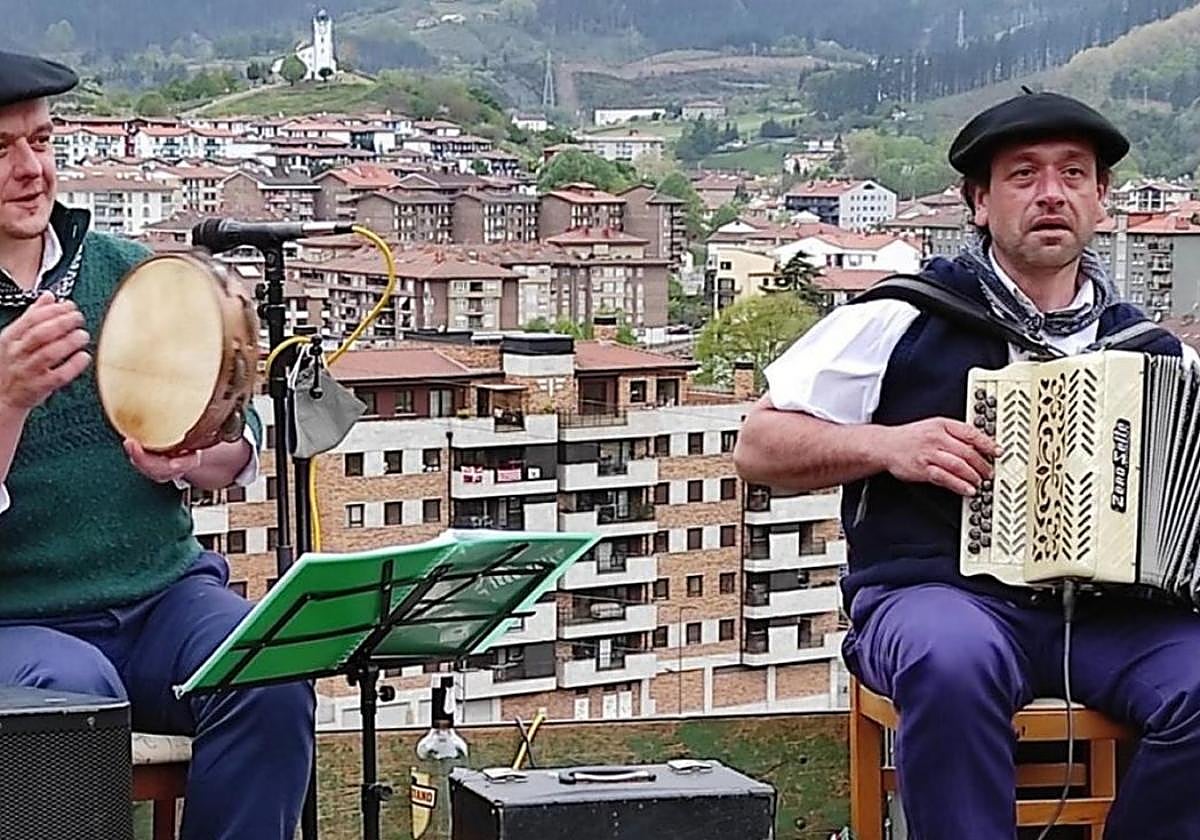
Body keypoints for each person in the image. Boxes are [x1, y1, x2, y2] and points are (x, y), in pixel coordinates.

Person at [735, 89, 1200, 840]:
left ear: (1101, 200)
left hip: (1117, 620)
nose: (1052, 194)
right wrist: (887, 445)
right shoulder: (900, 318)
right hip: (942, 599)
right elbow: (757, 447)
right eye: (1024, 176)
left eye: (1073, 175)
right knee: (951, 660)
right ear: (979, 202)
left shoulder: (1156, 354)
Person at [0, 51, 313, 839]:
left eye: (40, 141)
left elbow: (240, 443)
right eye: (0, 150)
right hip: (15, 624)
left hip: (162, 597)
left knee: (267, 669)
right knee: (77, 693)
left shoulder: (134, 276)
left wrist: (191, 459)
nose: (31, 169)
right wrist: (6, 400)